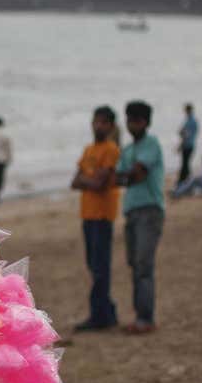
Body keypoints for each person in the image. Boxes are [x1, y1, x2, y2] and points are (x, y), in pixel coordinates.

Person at [69, 107, 121, 333]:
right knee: (93, 264)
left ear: (110, 126)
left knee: (101, 267)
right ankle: (107, 311)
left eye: (102, 123)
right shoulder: (89, 150)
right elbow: (75, 181)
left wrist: (87, 179)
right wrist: (90, 179)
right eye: (95, 122)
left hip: (102, 214)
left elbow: (100, 184)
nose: (97, 126)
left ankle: (100, 314)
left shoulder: (111, 150)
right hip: (88, 214)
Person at [116, 100, 165, 335]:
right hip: (132, 211)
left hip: (150, 209)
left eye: (136, 119)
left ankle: (146, 317)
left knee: (143, 264)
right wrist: (127, 175)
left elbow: (135, 174)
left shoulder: (151, 144)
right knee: (135, 264)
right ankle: (140, 316)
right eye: (129, 119)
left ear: (145, 122)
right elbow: (121, 177)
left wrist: (127, 175)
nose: (131, 124)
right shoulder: (128, 150)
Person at [176, 104, 199, 185]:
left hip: (187, 145)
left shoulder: (190, 121)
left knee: (185, 164)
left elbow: (186, 134)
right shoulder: (192, 120)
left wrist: (180, 145)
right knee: (186, 164)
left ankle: (183, 181)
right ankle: (186, 180)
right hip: (190, 144)